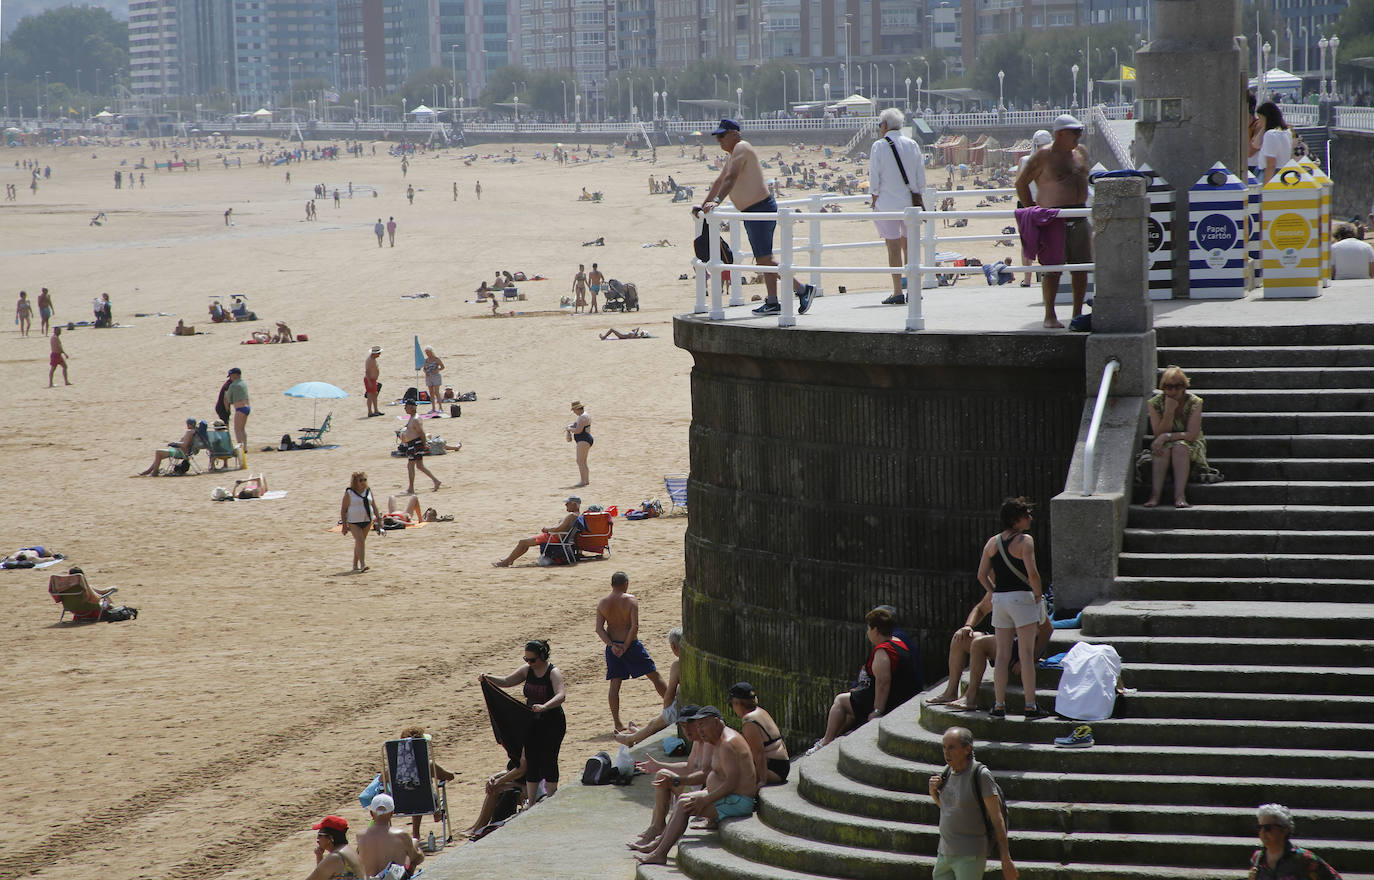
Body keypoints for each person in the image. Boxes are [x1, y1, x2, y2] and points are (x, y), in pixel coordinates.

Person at [696, 119, 815, 317]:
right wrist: (702, 206)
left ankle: (802, 290)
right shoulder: (733, 154)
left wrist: (716, 202)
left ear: (735, 133)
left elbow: (730, 178)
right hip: (752, 211)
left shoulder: (742, 147)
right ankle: (774, 301)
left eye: (721, 136)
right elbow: (719, 181)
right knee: (763, 259)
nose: (719, 141)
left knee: (764, 259)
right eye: (717, 137)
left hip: (760, 208)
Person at [633, 706, 758, 866]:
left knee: (685, 803)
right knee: (684, 799)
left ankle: (660, 853)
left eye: (702, 725)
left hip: (739, 801)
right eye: (698, 726)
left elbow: (731, 783)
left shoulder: (727, 743)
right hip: (727, 797)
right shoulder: (718, 740)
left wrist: (705, 800)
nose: (700, 730)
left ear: (715, 722)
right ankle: (658, 847)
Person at [1015, 114, 1090, 329]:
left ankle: (1077, 313)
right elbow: (1021, 183)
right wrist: (1033, 211)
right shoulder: (1044, 156)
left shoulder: (1080, 153)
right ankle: (1050, 314)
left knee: (1081, 268)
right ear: (1060, 134)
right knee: (1052, 269)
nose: (1078, 137)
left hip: (1079, 215)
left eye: (1080, 132)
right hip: (1053, 217)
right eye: (1074, 132)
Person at [811, 606, 921, 751]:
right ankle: (832, 739)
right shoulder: (898, 642)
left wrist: (877, 710)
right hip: (901, 695)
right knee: (852, 700)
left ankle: (826, 741)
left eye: (869, 629)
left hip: (889, 700)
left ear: (875, 630)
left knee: (840, 700)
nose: (868, 632)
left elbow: (883, 683)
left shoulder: (883, 651)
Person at [978, 496, 1047, 720]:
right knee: (1026, 654)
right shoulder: (1025, 541)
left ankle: (999, 705)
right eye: (1026, 515)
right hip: (1022, 598)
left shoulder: (992, 542)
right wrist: (1037, 595)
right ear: (1015, 520)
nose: (1030, 518)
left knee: (1002, 655)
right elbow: (1033, 573)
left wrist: (995, 590)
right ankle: (1030, 705)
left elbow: (981, 575)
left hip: (1000, 600)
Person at [926, 592, 1053, 712]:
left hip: (1024, 645)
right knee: (959, 638)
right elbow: (981, 609)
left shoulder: (1025, 589)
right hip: (1003, 640)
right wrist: (968, 626)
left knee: (979, 644)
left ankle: (971, 697)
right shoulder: (998, 585)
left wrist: (1031, 658)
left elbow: (1047, 629)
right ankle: (950, 692)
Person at [480, 639, 567, 806]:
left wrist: (544, 706)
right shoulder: (527, 671)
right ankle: (532, 802)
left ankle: (551, 799)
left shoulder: (552, 672)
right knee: (531, 760)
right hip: (532, 722)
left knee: (549, 759)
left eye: (532, 660)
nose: (529, 663)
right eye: (526, 659)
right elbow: (506, 681)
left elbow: (561, 695)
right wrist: (487, 678)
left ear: (542, 657)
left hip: (552, 722)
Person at [928, 727, 1017, 880]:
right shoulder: (947, 771)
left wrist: (1005, 858)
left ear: (967, 749)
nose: (946, 752)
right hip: (944, 853)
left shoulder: (981, 775)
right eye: (944, 747)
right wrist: (933, 792)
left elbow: (997, 818)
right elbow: (949, 808)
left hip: (970, 855)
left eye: (951, 747)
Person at [627, 705, 709, 851]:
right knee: (662, 774)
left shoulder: (709, 741)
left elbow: (705, 774)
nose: (687, 731)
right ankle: (656, 826)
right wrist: (658, 765)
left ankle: (657, 829)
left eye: (689, 726)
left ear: (699, 723)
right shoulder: (697, 741)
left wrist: (676, 780)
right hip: (697, 787)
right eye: (683, 726)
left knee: (664, 776)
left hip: (707, 794)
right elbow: (690, 767)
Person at [596, 571, 669, 733]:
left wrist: (612, 645)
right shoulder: (630, 600)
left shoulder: (602, 603)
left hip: (613, 647)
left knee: (615, 685)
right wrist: (626, 646)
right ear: (626, 584)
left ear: (612, 584)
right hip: (631, 646)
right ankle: (672, 707)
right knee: (654, 676)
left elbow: (599, 629)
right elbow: (634, 626)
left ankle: (617, 723)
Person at [868, 107, 926, 305]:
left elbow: (874, 177)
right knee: (910, 248)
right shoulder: (912, 144)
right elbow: (920, 178)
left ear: (884, 126)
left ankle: (897, 291)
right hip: (910, 205)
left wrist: (874, 197)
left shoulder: (879, 146)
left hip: (887, 204)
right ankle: (914, 290)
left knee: (892, 248)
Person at [380, 725, 458, 840]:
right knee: (424, 794)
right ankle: (436, 814)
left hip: (399, 803)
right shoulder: (429, 765)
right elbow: (449, 777)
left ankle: (416, 834)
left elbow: (381, 779)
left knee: (412, 793)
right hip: (426, 803)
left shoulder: (396, 767)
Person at [1146, 366, 1207, 509]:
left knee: (1180, 447)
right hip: (1166, 443)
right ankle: (1155, 495)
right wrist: (1169, 412)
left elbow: (1192, 435)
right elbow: (1157, 434)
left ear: (1184, 386)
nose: (1173, 391)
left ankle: (1180, 495)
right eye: (1168, 387)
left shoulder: (1194, 402)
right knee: (1163, 449)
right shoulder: (1155, 403)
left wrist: (1167, 436)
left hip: (1191, 444)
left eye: (1177, 386)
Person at [615, 627, 682, 747]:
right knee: (656, 723)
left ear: (674, 647)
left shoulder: (678, 664)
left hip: (683, 707)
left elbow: (669, 695)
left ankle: (630, 739)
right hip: (689, 703)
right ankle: (639, 734)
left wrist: (666, 711)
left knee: (654, 724)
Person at [1249, 803, 1342, 879]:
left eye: (1268, 828)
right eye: (1259, 828)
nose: (1262, 832)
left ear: (1284, 830)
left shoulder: (1304, 858)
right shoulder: (1258, 858)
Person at [726, 682, 790, 788]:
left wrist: (762, 780)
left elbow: (759, 753)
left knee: (728, 776)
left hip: (773, 769)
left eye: (732, 704)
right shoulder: (760, 711)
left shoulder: (749, 721)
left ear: (738, 703)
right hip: (782, 765)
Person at [492, 496, 581, 567]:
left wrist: (547, 529)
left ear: (574, 504)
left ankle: (507, 561)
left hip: (553, 537)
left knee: (522, 542)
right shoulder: (577, 516)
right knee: (524, 543)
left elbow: (559, 529)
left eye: (568, 503)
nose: (565, 505)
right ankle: (509, 560)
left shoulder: (571, 515)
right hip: (557, 537)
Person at [356, 794, 425, 880]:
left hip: (369, 878)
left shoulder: (360, 835)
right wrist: (420, 853)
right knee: (414, 843)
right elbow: (417, 858)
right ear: (392, 813)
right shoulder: (400, 834)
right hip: (392, 877)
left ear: (371, 814)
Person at [1016, 130, 1053, 287]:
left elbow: (1018, 183)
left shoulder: (1024, 161)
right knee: (1047, 242)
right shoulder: (1053, 162)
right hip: (1045, 204)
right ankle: (1048, 275)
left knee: (1027, 243)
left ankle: (1028, 279)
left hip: (1026, 205)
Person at [399, 394, 442, 494]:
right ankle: (435, 481)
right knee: (419, 465)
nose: (405, 408)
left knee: (411, 465)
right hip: (413, 443)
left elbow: (421, 432)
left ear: (411, 407)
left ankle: (411, 488)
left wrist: (425, 444)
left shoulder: (415, 419)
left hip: (415, 443)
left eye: (406, 407)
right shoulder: (413, 417)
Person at [340, 472, 380, 572]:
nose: (363, 482)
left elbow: (374, 505)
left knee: (360, 543)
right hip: (353, 521)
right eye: (360, 480)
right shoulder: (349, 492)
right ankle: (362, 564)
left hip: (367, 520)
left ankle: (354, 564)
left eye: (364, 480)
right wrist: (344, 526)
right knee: (360, 541)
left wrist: (379, 518)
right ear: (355, 482)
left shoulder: (368, 491)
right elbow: (343, 509)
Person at [306, 815, 366, 880]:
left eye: (320, 835)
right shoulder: (348, 850)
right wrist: (319, 857)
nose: (317, 839)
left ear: (330, 838)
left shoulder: (336, 857)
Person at [1257, 101, 1294, 183]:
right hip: (1284, 174)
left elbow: (1271, 164)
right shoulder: (1287, 132)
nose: (1259, 123)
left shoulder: (1270, 135)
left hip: (1270, 174)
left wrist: (1266, 186)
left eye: (1260, 118)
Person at [223, 367, 250, 451]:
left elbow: (229, 399)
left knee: (237, 429)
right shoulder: (243, 383)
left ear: (234, 375)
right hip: (247, 407)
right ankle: (245, 447)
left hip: (240, 408)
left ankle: (240, 448)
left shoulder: (233, 385)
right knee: (242, 429)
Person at [565, 400, 592, 487]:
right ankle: (586, 480)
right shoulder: (584, 415)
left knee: (580, 461)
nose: (574, 412)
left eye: (574, 410)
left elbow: (578, 430)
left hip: (583, 439)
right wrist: (571, 426)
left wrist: (569, 429)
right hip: (585, 439)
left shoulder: (582, 417)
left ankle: (583, 481)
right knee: (583, 461)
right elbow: (578, 426)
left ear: (577, 409)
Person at [421, 347, 445, 413]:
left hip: (436, 376)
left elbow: (442, 367)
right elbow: (424, 368)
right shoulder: (426, 360)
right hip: (429, 377)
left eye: (428, 352)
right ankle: (433, 408)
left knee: (436, 392)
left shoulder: (436, 359)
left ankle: (440, 407)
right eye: (426, 352)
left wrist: (437, 370)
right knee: (431, 393)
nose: (427, 354)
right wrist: (426, 372)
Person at [364, 346, 383, 417]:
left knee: (375, 394)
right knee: (370, 395)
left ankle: (376, 410)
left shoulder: (373, 359)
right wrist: (369, 382)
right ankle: (370, 411)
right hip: (370, 380)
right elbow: (367, 372)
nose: (379, 354)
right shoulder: (370, 360)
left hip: (373, 379)